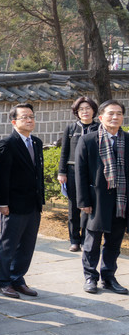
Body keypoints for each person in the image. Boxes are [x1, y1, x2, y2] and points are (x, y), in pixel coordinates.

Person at [75, 100, 129, 295]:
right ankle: (90, 276)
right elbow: (80, 174)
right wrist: (83, 202)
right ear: (101, 117)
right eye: (111, 114)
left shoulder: (127, 140)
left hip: (121, 201)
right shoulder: (88, 140)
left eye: (119, 114)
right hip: (96, 201)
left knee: (114, 243)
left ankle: (108, 277)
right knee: (91, 242)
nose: (115, 117)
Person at [0, 104, 44, 299]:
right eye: (24, 117)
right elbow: (2, 176)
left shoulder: (37, 142)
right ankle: (3, 281)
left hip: (33, 204)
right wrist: (2, 202)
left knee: (27, 245)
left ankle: (18, 278)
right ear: (14, 121)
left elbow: (37, 174)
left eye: (31, 116)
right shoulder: (7, 143)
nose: (29, 120)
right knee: (9, 244)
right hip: (13, 204)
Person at [58, 97, 99, 252]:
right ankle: (74, 239)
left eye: (88, 108)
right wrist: (62, 172)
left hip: (92, 172)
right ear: (77, 112)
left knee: (90, 206)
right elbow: (64, 152)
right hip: (73, 171)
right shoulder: (71, 128)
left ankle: (86, 239)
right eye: (81, 109)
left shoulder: (99, 128)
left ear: (94, 110)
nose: (85, 111)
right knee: (74, 207)